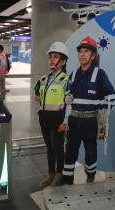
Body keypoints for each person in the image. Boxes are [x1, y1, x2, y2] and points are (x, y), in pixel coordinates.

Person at [53, 36, 115, 186]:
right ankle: (67, 177)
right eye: (80, 51)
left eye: (86, 51)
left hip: (90, 120)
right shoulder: (73, 74)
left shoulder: (99, 74)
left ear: (93, 55)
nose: (82, 54)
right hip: (74, 119)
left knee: (90, 150)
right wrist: (67, 99)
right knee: (70, 150)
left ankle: (90, 174)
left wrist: (100, 108)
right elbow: (69, 94)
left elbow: (111, 96)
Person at [34, 42, 69, 188]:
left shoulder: (66, 80)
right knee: (49, 148)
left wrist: (65, 121)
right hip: (44, 119)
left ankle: (60, 175)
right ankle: (50, 174)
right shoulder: (43, 79)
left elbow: (69, 104)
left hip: (58, 120)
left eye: (56, 57)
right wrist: (36, 93)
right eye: (50, 57)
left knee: (58, 148)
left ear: (63, 61)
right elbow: (37, 87)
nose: (52, 60)